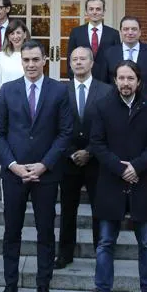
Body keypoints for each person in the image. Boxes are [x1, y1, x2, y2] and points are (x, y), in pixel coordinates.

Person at [0, 40, 72, 292]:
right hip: (14, 174)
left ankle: (43, 287)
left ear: (44, 60)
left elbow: (65, 133)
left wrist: (44, 165)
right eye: (26, 60)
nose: (30, 65)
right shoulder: (7, 90)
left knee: (45, 232)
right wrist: (13, 165)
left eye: (35, 59)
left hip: (45, 175)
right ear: (21, 61)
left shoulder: (59, 91)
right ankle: (10, 286)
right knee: (11, 232)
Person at [85, 60, 147, 292]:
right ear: (115, 80)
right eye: (121, 78)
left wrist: (136, 167)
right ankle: (102, 291)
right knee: (106, 241)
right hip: (110, 182)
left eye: (130, 78)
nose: (126, 83)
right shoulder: (102, 106)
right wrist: (121, 169)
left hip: (142, 181)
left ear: (138, 81)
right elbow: (96, 144)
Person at [55, 47, 112, 270]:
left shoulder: (107, 91)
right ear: (70, 64)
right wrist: (70, 151)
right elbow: (56, 125)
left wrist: (90, 150)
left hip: (96, 160)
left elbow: (109, 127)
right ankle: (65, 253)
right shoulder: (61, 91)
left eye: (83, 59)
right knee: (68, 209)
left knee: (100, 209)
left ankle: (101, 252)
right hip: (68, 160)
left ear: (92, 63)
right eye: (74, 59)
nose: (78, 62)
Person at [66, 0, 121, 83]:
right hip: (82, 81)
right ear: (86, 12)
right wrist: (73, 80)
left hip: (107, 83)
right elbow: (70, 58)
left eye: (98, 9)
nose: (94, 12)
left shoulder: (113, 34)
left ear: (103, 12)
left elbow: (117, 60)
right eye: (91, 9)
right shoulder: (76, 32)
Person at [105, 16, 147, 98]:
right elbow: (105, 81)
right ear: (120, 32)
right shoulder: (109, 53)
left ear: (140, 32)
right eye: (126, 29)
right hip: (115, 101)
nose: (130, 32)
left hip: (144, 102)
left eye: (134, 29)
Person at [0, 19, 30, 92]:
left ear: (25, 35)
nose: (15, 36)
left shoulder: (31, 56)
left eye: (18, 33)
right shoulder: (0, 57)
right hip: (5, 99)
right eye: (12, 33)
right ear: (8, 37)